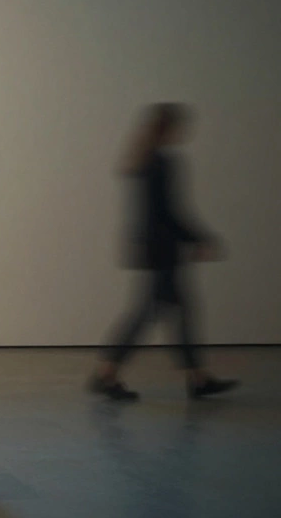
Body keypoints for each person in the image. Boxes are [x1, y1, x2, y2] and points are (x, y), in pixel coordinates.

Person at [90, 103, 237, 401]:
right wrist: (200, 238)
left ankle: (197, 378)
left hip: (150, 247)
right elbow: (171, 211)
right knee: (151, 314)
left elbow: (149, 213)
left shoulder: (141, 159)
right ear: (169, 129)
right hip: (163, 250)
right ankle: (106, 374)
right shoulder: (162, 162)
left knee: (175, 312)